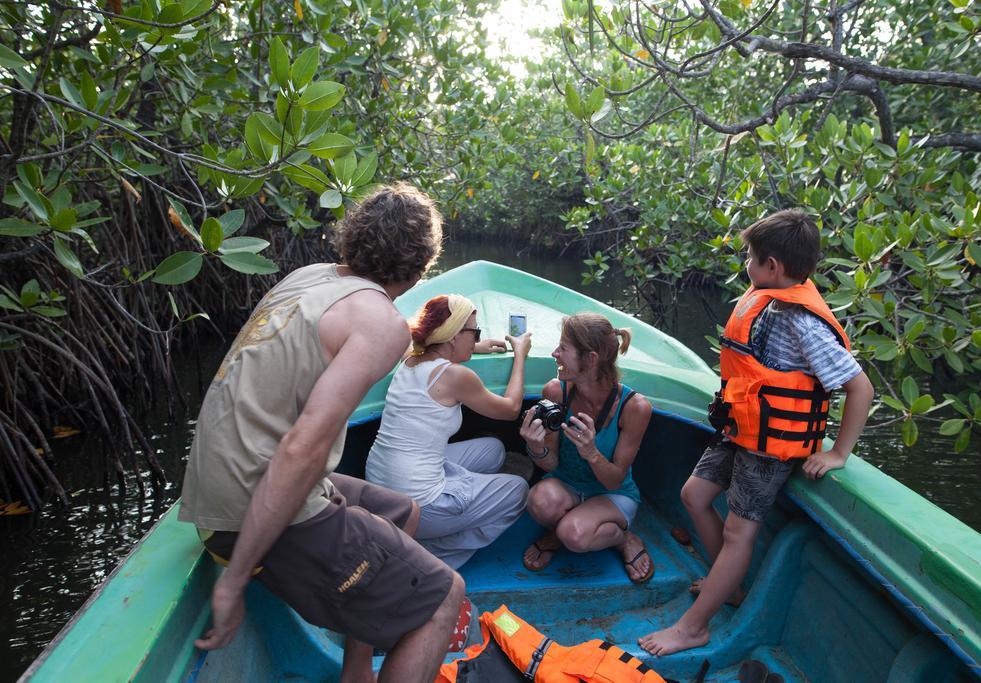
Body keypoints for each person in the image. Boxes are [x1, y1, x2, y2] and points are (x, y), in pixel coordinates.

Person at [178, 183, 467, 683]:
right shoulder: (382, 325)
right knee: (442, 596)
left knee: (401, 510)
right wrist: (236, 578)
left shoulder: (308, 278)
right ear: (422, 263)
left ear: (352, 237)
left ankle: (356, 672)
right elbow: (303, 449)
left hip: (219, 486)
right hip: (252, 507)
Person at [638, 209, 874, 656]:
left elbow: (860, 387)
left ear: (773, 267)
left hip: (771, 450)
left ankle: (693, 628)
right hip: (740, 430)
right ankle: (726, 586)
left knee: (738, 534)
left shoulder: (803, 322)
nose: (746, 264)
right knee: (693, 495)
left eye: (750, 257)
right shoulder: (764, 299)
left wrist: (839, 453)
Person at [365, 294, 531, 569]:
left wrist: (476, 347)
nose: (478, 338)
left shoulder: (410, 359)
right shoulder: (456, 376)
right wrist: (521, 354)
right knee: (518, 490)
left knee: (493, 450)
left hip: (382, 491)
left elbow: (437, 353)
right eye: (474, 332)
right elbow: (512, 408)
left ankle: (461, 502)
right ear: (453, 336)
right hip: (419, 508)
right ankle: (431, 555)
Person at [519, 313, 655, 584]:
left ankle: (622, 538)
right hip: (567, 483)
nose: (554, 354)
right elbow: (551, 465)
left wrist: (592, 453)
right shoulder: (556, 392)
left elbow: (615, 479)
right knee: (538, 501)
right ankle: (561, 527)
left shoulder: (635, 407)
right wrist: (535, 447)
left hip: (613, 494)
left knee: (575, 535)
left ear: (591, 359)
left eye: (564, 349)